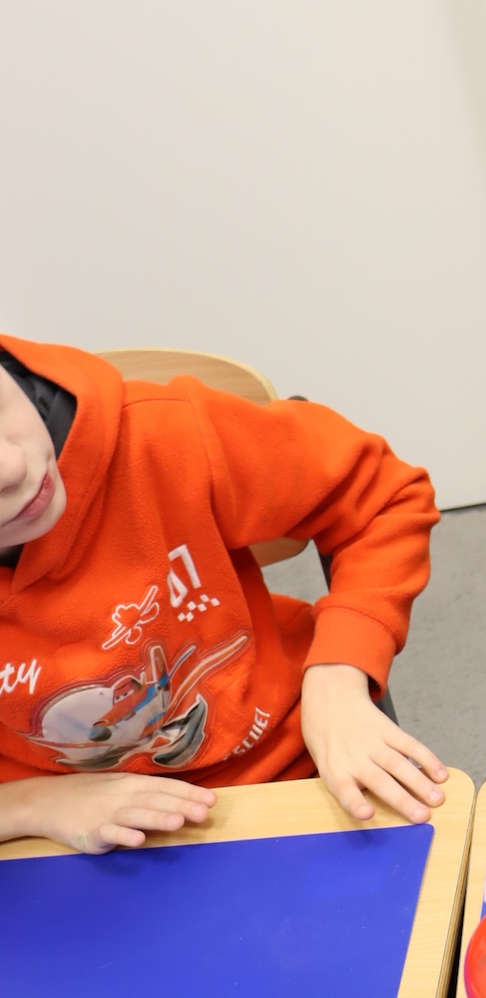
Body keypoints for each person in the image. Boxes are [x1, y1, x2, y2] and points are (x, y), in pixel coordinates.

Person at [0, 335, 445, 852]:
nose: (12, 468)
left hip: (283, 770)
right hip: (52, 829)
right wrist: (28, 805)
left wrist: (339, 676)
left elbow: (381, 495)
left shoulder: (166, 433)